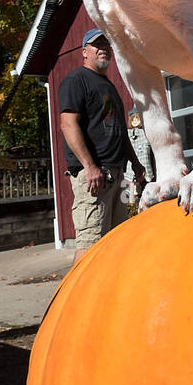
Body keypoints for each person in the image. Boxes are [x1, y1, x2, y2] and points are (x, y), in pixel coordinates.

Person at [58, 29, 147, 260]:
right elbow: (68, 125)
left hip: (116, 175)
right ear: (84, 52)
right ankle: (77, 297)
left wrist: (135, 163)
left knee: (116, 242)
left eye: (107, 45)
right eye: (97, 45)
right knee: (90, 246)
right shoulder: (76, 80)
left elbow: (119, 130)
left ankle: (108, 295)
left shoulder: (108, 86)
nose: (103, 49)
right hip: (93, 178)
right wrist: (89, 166)